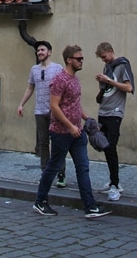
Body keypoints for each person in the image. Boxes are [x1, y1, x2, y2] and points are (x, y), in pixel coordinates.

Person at [33, 45, 110, 219]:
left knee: (83, 168)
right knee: (53, 167)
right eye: (78, 58)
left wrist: (88, 119)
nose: (82, 61)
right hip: (61, 133)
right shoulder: (60, 79)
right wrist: (69, 126)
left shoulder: (75, 80)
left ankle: (90, 207)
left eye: (82, 58)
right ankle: (40, 201)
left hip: (78, 132)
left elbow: (74, 105)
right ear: (69, 60)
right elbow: (54, 106)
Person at [17, 41, 67, 186]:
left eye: (42, 50)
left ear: (49, 52)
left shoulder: (58, 68)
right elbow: (30, 88)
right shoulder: (34, 69)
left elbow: (64, 89)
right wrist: (21, 104)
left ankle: (61, 174)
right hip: (40, 111)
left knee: (57, 143)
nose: (39, 52)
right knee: (43, 144)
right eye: (38, 50)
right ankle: (45, 173)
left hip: (54, 111)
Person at [94, 41, 134, 201]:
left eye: (104, 57)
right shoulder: (107, 67)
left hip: (115, 112)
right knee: (105, 146)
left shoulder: (122, 64)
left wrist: (109, 81)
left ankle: (116, 185)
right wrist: (102, 81)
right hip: (103, 110)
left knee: (111, 146)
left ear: (111, 51)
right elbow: (107, 88)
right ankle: (113, 181)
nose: (104, 60)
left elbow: (128, 88)